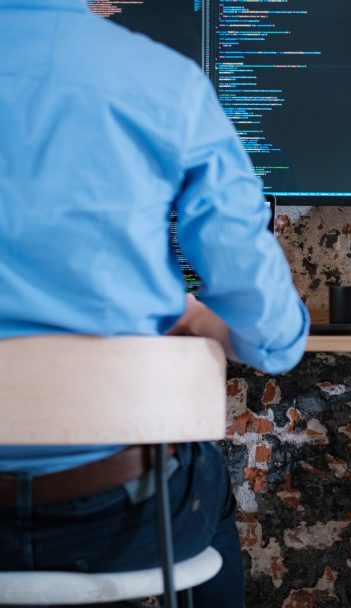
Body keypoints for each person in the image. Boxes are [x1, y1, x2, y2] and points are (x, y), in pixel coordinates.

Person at [0, 0, 310, 605]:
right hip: (115, 514)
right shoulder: (164, 83)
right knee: (210, 483)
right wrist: (189, 312)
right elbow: (273, 340)